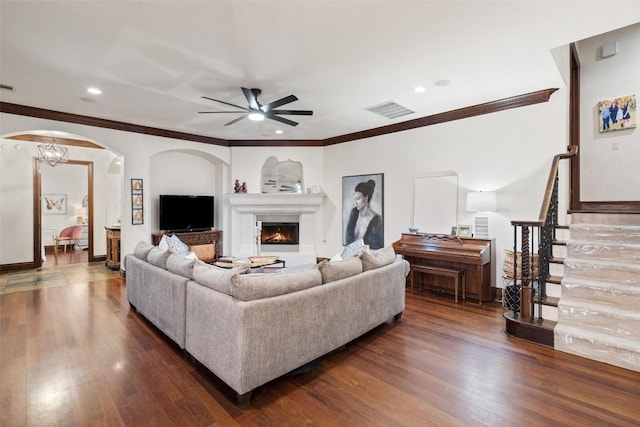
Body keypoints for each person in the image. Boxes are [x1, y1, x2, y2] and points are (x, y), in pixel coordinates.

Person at [345, 179, 383, 249]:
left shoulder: (377, 220)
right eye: (355, 199)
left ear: (366, 198)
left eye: (358, 198)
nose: (355, 202)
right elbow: (348, 240)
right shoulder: (354, 213)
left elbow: (377, 246)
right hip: (351, 255)